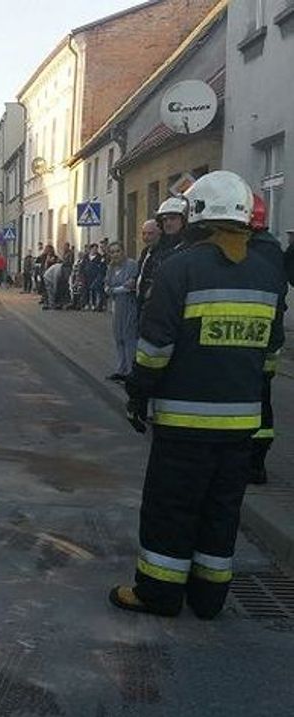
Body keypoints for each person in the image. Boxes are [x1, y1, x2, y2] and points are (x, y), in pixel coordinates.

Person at [114, 171, 287, 620]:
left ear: (198, 217)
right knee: (220, 510)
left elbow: (154, 350)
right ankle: (209, 598)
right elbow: (270, 352)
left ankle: (158, 593)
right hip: (240, 426)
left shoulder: (180, 268)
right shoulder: (268, 275)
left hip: (184, 424)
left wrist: (138, 392)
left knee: (171, 508)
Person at [246, 195, 287, 485]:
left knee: (249, 399)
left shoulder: (248, 250)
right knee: (262, 400)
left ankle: (250, 461)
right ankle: (257, 463)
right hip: (269, 339)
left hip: (250, 340)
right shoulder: (273, 248)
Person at [103, 241, 139, 382]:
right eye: (112, 252)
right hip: (116, 306)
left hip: (129, 305)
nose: (115, 254)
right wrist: (110, 289)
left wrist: (113, 289)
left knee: (129, 337)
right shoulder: (111, 268)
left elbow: (130, 286)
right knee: (118, 337)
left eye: (118, 251)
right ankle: (121, 368)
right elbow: (106, 284)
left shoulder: (131, 265)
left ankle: (131, 370)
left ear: (123, 252)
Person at [134, 219, 164, 313]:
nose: (146, 237)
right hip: (141, 302)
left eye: (150, 233)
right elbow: (141, 272)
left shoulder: (162, 253)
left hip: (154, 305)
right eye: (144, 234)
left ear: (159, 233)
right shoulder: (145, 252)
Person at [85, 243, 107, 311]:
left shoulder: (100, 257)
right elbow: (82, 265)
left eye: (96, 249)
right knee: (86, 290)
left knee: (95, 290)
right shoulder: (86, 257)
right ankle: (87, 303)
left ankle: (95, 304)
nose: (95, 250)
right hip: (87, 275)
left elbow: (102, 266)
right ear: (91, 249)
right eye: (94, 249)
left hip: (96, 276)